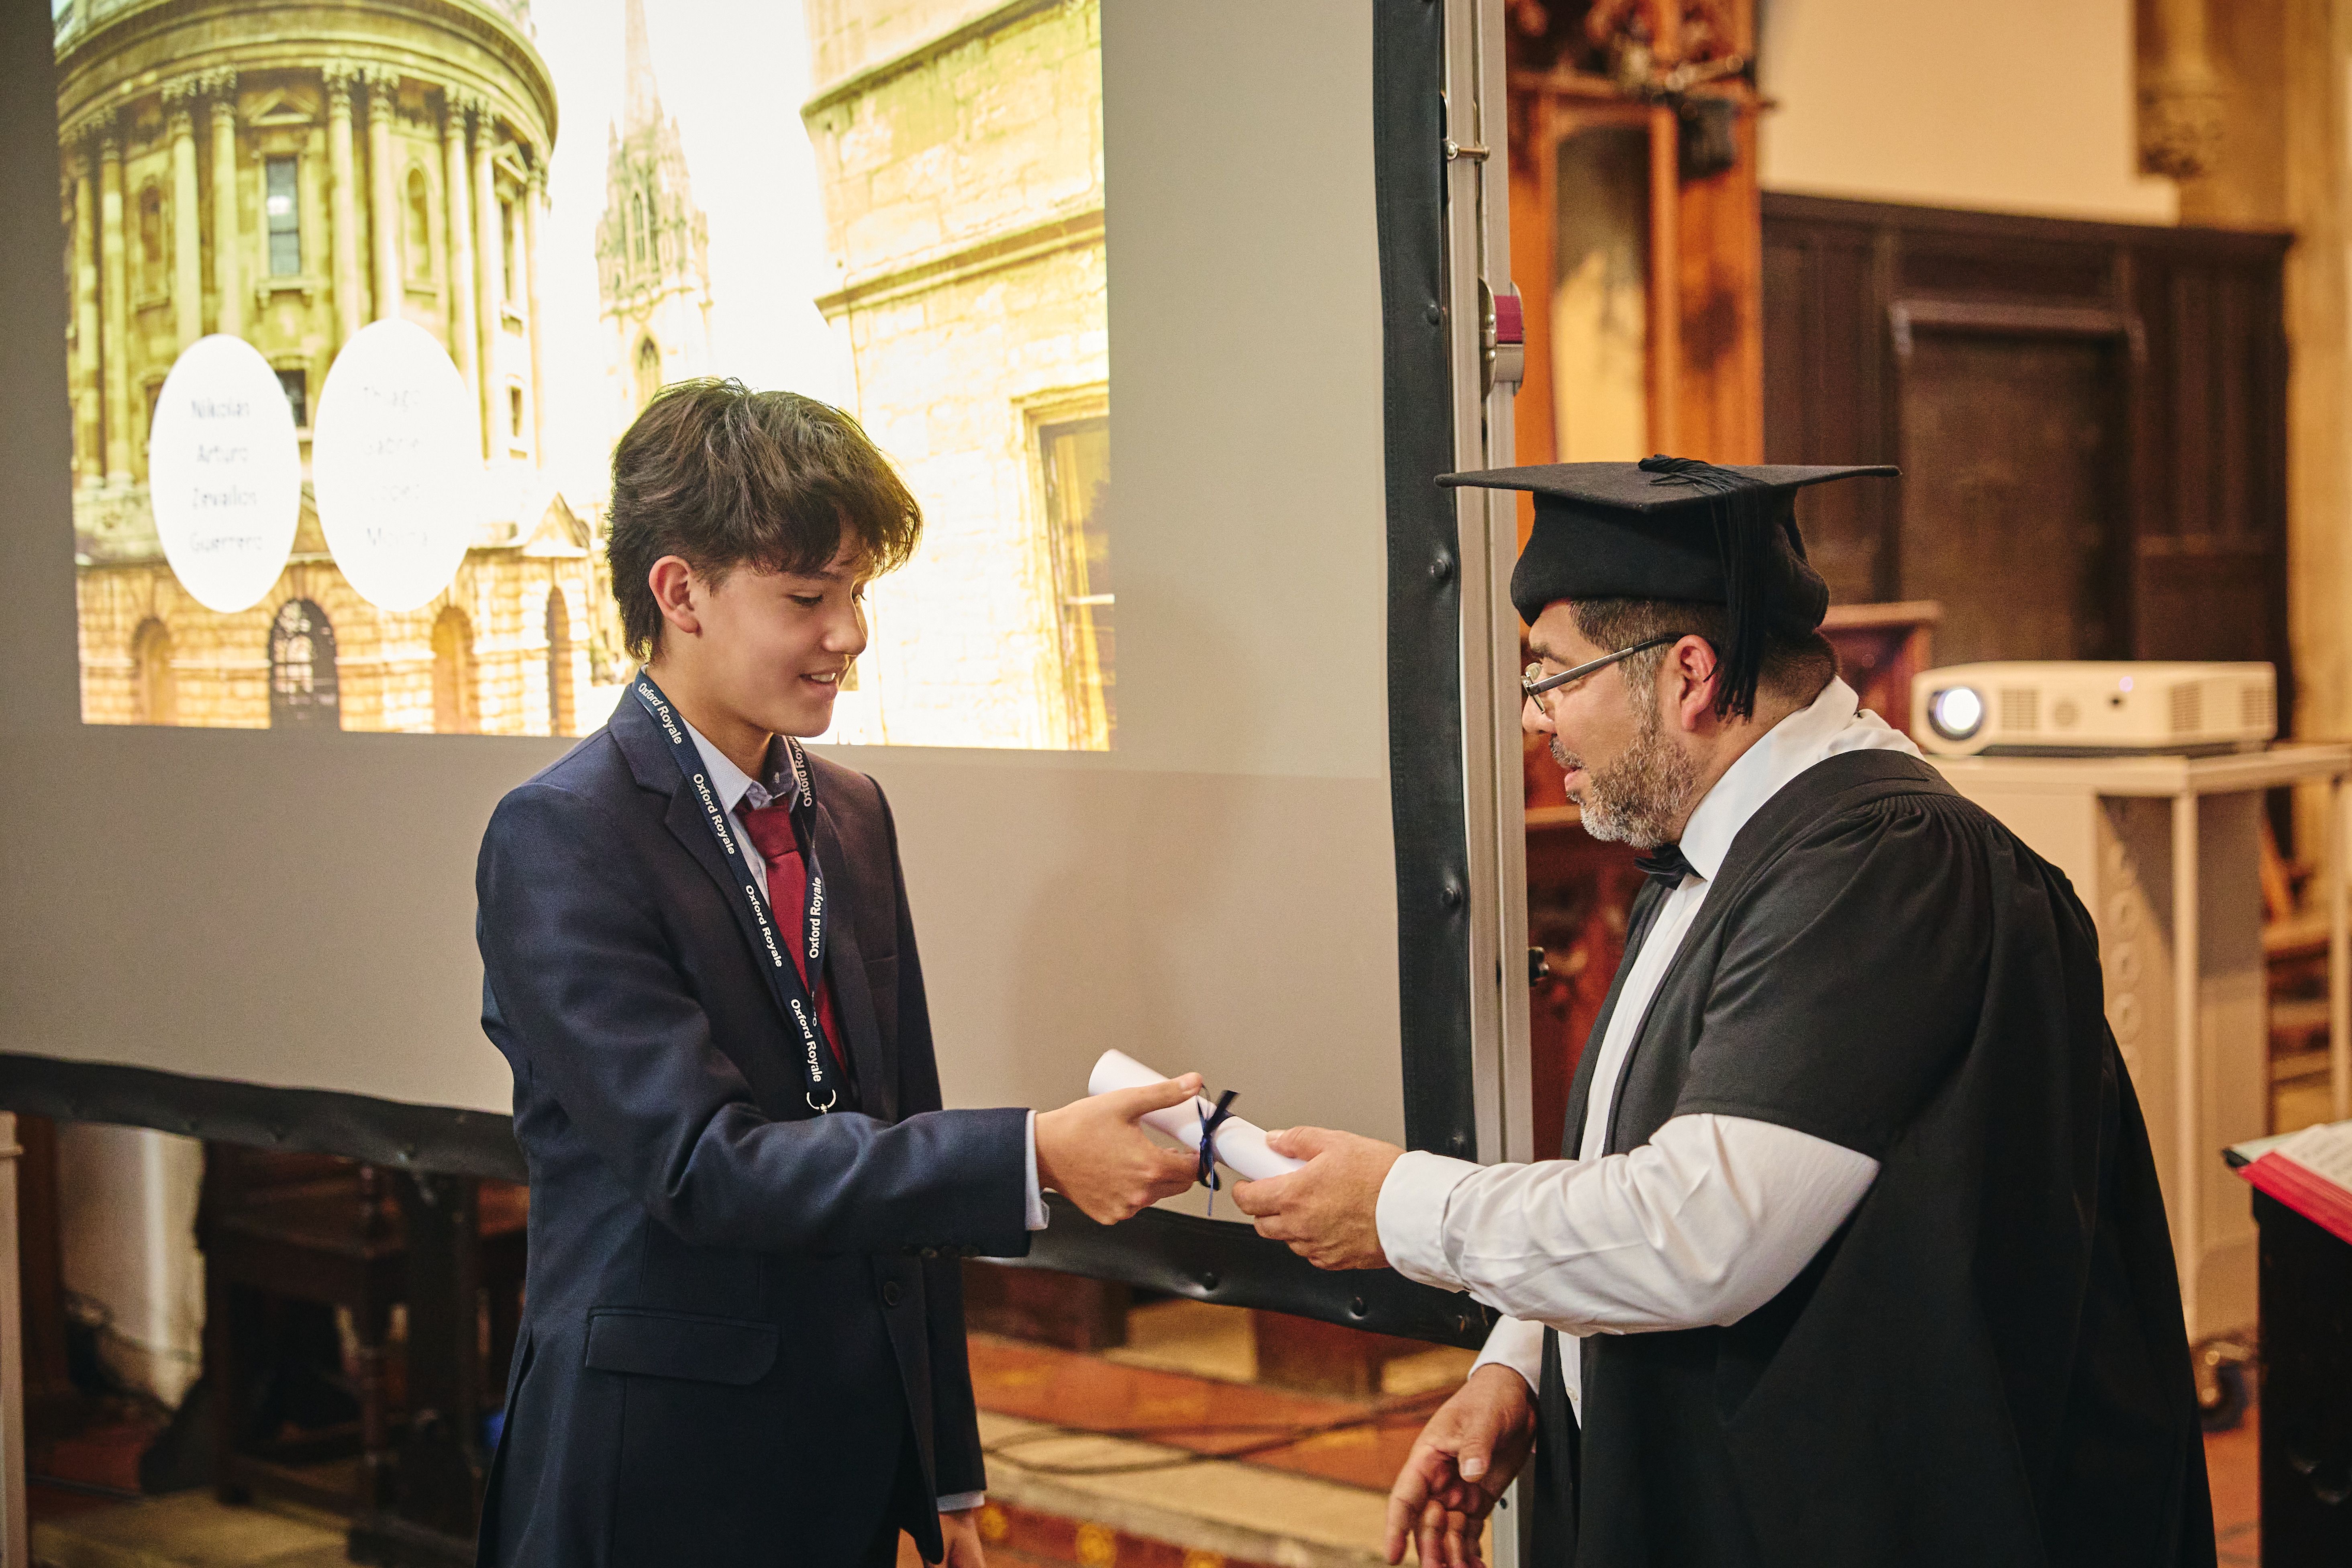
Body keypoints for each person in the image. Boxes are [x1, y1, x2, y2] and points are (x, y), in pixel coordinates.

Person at [1233, 457, 2213, 1568]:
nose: (1536, 717)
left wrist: (1400, 1205)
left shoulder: (1880, 864)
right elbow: (1636, 1153)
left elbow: (1706, 1224)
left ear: (1687, 673)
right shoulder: (1731, 840)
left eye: (1552, 675)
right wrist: (1519, 1363)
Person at [473, 379, 1202, 1568]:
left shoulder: (850, 811)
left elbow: (897, 1120)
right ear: (678, 592)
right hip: (655, 1465)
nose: (849, 633)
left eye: (857, 591)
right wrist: (1033, 1152)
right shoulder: (561, 835)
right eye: (808, 596)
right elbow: (703, 1165)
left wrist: (946, 1466)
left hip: (848, 1455)